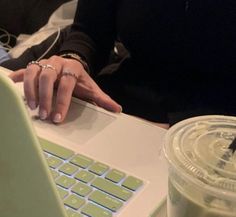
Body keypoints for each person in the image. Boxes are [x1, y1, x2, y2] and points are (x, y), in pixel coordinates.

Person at [2, 0, 236, 126]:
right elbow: (91, 30)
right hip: (120, 106)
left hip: (216, 133)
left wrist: (178, 130)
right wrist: (74, 59)